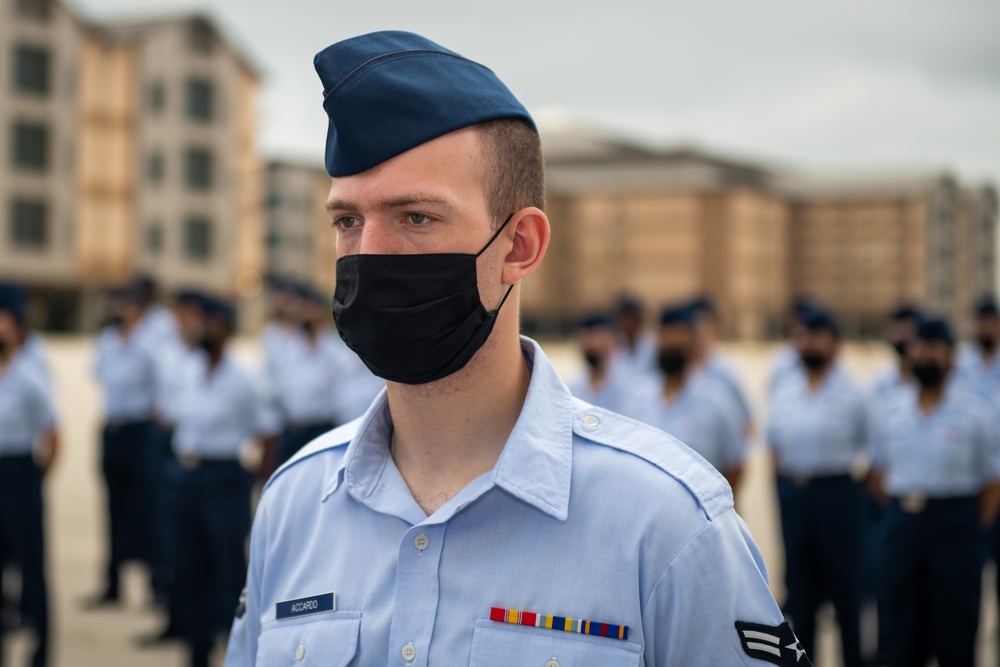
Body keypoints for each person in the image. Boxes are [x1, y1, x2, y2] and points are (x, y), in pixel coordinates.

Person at [226, 30, 805, 666]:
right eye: (347, 221)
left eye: (416, 218)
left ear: (519, 247)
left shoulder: (665, 525)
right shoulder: (295, 505)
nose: (367, 255)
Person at [868, 317, 1000, 667]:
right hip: (903, 524)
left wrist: (968, 526)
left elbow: (992, 482)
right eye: (919, 348)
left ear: (951, 358)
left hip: (954, 526)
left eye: (934, 349)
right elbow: (877, 473)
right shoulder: (891, 408)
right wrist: (904, 512)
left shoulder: (974, 413)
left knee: (955, 630)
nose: (925, 356)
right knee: (901, 630)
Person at [168, 296, 279, 667]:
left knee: (228, 567)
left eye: (212, 324)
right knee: (188, 566)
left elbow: (267, 433)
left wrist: (258, 481)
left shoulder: (245, 377)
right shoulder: (187, 369)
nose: (203, 330)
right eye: (202, 323)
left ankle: (235, 648)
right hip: (187, 476)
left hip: (225, 478)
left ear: (227, 330)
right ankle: (197, 650)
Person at [766, 308, 866, 667]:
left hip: (836, 493)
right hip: (796, 493)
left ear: (835, 344)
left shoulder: (853, 393)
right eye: (804, 336)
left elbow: (871, 450)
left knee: (845, 590)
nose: (809, 343)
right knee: (800, 592)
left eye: (818, 336)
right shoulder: (785, 389)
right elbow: (773, 445)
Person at [136, 289, 209, 646]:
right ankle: (173, 613)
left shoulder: (207, 359)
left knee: (199, 542)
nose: (186, 322)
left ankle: (206, 623)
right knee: (165, 537)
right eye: (181, 314)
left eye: (192, 314)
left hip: (193, 446)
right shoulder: (167, 354)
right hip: (163, 443)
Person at [622, 305, 746, 492]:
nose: (670, 345)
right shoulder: (636, 397)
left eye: (678, 342)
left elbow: (735, 464)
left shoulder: (716, 400)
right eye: (666, 339)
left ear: (692, 346)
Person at [86, 286, 157, 607]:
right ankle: (113, 583)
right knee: (112, 507)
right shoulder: (107, 340)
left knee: (143, 508)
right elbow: (99, 374)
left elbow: (157, 384)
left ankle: (153, 587)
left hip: (139, 430)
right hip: (112, 429)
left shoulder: (150, 342)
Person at [0, 284, 58, 667]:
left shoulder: (31, 375)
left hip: (21, 471)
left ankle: (40, 651)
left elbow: (53, 435)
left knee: (32, 569)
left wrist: (36, 481)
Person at [862, 304, 923, 664]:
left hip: (934, 507)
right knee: (886, 588)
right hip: (888, 505)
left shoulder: (945, 384)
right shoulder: (881, 387)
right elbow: (874, 455)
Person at [270, 285, 347, 469]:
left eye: (309, 307)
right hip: (292, 429)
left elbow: (343, 392)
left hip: (322, 429)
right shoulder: (288, 347)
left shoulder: (334, 349)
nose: (304, 313)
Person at [687, 295, 754, 443]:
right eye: (694, 327)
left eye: (704, 326)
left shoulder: (725, 372)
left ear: (714, 329)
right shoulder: (679, 369)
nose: (699, 333)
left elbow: (747, 423)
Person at [567, 313, 624, 412]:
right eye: (586, 338)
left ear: (610, 340)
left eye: (596, 337)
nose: (591, 344)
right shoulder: (574, 387)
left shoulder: (627, 383)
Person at [610, 295, 657, 381]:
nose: (627, 323)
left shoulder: (651, 344)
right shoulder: (615, 347)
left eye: (630, 319)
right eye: (624, 319)